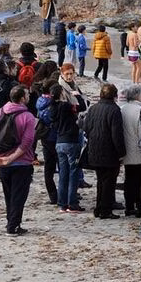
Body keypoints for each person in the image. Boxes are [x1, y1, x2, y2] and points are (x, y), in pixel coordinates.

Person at [0, 86, 37, 236]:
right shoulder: (28, 116)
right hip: (20, 162)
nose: (29, 96)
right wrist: (10, 158)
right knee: (18, 196)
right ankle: (13, 226)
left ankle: (12, 222)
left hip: (3, 162)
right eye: (27, 94)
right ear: (22, 98)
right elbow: (27, 142)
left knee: (9, 194)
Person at [81, 83, 126, 220]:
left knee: (101, 180)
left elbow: (86, 127)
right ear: (114, 96)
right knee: (108, 182)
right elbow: (116, 134)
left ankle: (99, 207)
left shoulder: (93, 108)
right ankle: (105, 209)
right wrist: (121, 152)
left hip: (94, 149)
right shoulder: (114, 110)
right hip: (109, 151)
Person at [53, 78, 84, 214]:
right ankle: (72, 203)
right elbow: (82, 107)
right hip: (71, 140)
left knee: (63, 173)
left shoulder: (51, 108)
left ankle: (62, 203)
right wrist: (78, 96)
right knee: (73, 173)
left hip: (59, 141)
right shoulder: (65, 106)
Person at [118, 84, 141, 217]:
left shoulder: (122, 109)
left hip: (125, 150)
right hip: (137, 151)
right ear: (137, 95)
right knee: (140, 181)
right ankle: (139, 206)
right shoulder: (139, 110)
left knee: (129, 179)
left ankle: (129, 206)